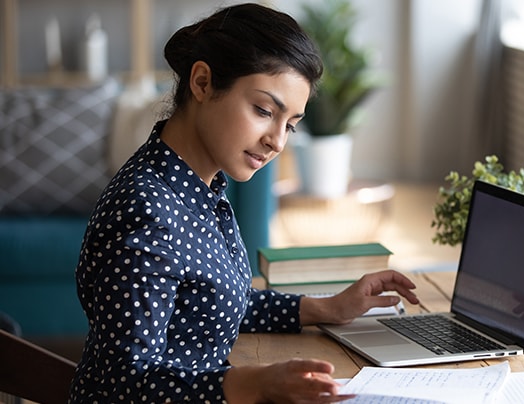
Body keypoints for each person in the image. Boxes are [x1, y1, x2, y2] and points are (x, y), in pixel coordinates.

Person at [68, 3, 419, 403]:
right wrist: (254, 384)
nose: (278, 141)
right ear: (202, 83)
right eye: (264, 111)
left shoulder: (200, 189)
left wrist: (330, 308)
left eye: (289, 125)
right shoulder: (146, 210)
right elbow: (125, 386)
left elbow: (209, 304)